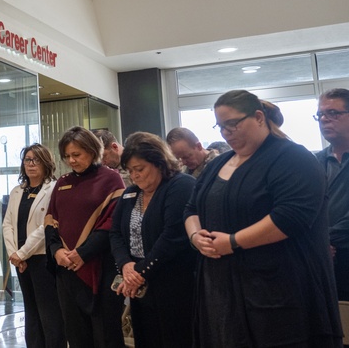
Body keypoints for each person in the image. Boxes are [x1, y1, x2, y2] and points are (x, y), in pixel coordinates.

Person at [184, 89, 342, 348]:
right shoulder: (216, 164)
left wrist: (233, 241)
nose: (226, 133)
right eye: (221, 126)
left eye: (232, 124)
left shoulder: (293, 157)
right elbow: (191, 208)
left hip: (279, 293)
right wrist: (195, 236)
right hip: (221, 293)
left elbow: (292, 216)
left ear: (258, 117)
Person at [109, 132, 196, 348]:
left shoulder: (180, 185)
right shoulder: (130, 193)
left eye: (139, 169)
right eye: (129, 171)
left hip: (173, 282)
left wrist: (139, 272)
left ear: (159, 162)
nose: (134, 176)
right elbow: (115, 233)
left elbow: (173, 236)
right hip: (138, 282)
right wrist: (125, 265)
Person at [45, 126, 126, 348]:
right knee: (76, 333)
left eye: (77, 155)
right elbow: (51, 221)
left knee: (106, 334)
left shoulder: (112, 180)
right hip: (67, 270)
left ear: (92, 151)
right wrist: (56, 251)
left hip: (101, 268)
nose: (71, 160)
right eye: (67, 156)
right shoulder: (62, 182)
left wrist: (83, 253)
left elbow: (112, 224)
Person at [3, 144, 66, 348]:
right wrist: (14, 254)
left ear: (46, 162)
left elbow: (44, 226)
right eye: (27, 160)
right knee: (30, 311)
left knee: (49, 312)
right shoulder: (17, 191)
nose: (30, 164)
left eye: (36, 160)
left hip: (42, 258)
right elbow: (8, 224)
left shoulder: (53, 189)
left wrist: (22, 253)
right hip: (21, 261)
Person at [315, 88, 349, 300]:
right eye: (320, 115)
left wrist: (325, 239)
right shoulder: (314, 162)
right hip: (323, 260)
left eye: (333, 113)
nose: (324, 119)